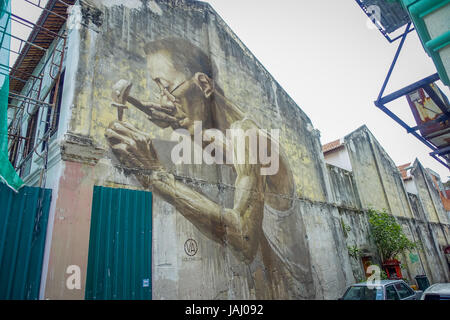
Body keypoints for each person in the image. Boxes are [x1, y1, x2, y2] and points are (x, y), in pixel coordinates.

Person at [105, 38, 315, 299]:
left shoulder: (249, 136)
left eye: (167, 87)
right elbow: (225, 151)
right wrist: (181, 122)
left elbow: (243, 239)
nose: (162, 99)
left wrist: (155, 176)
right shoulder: (240, 135)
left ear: (203, 84)